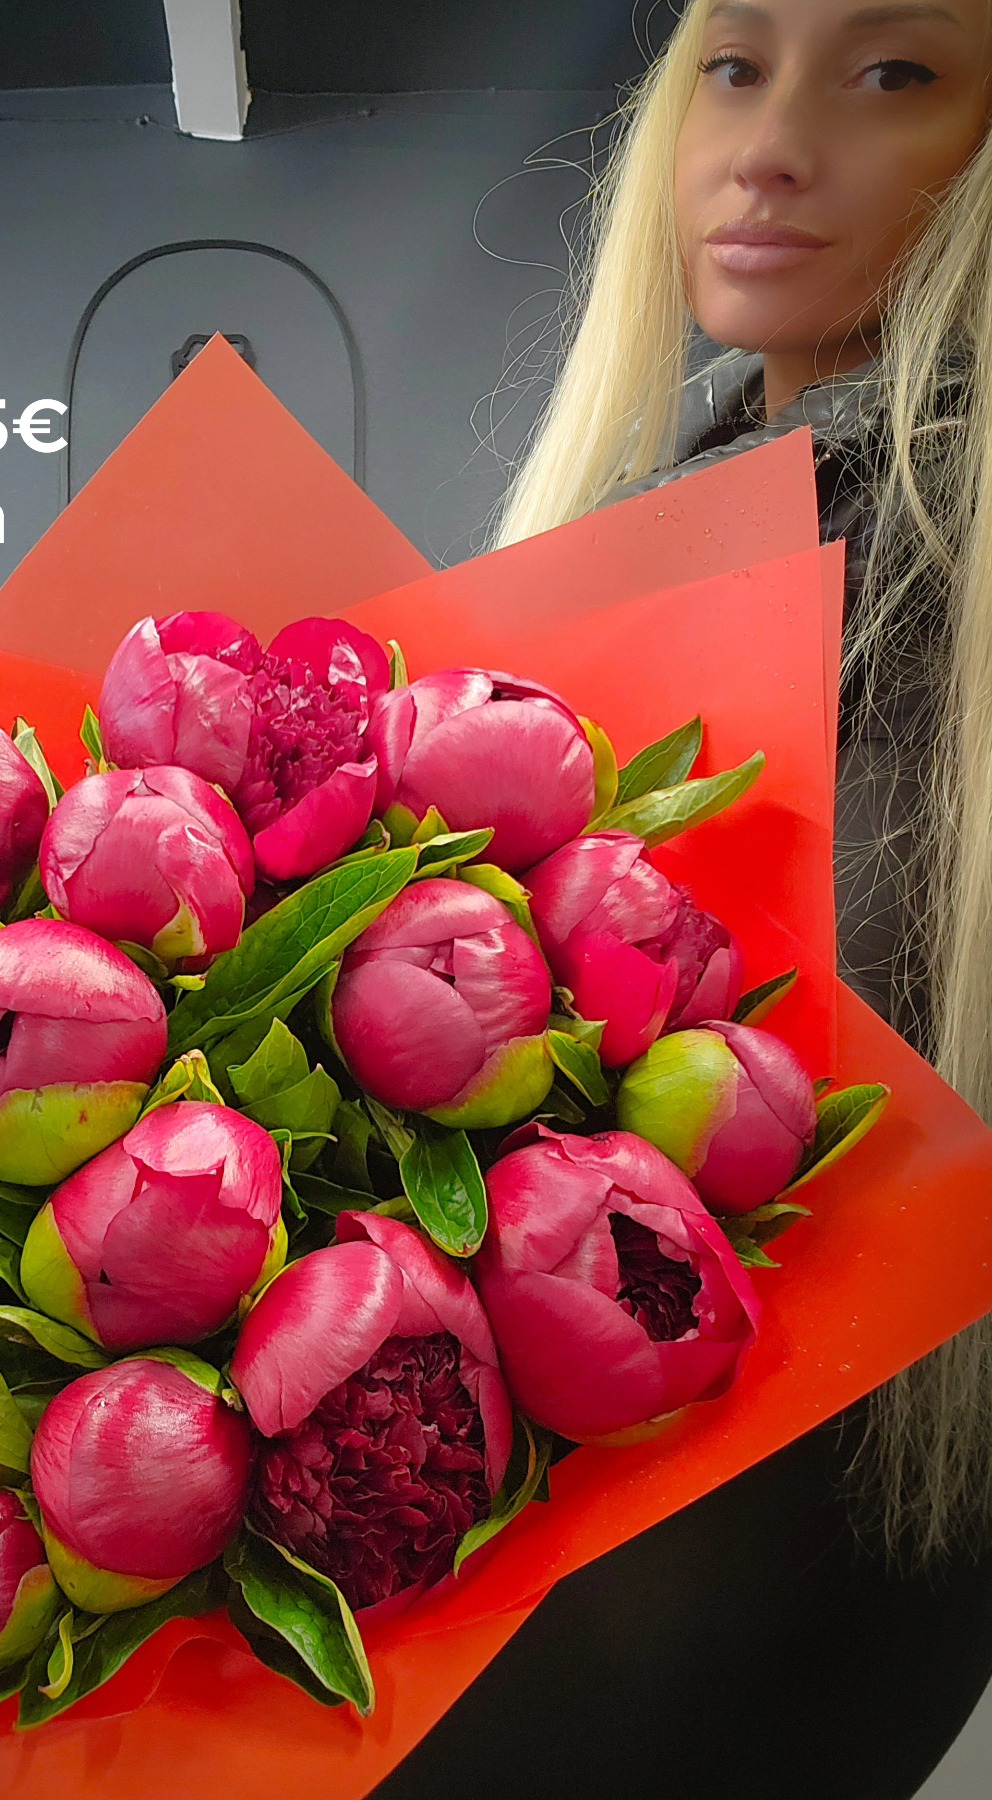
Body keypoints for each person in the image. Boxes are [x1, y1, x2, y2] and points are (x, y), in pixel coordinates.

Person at [379, 3, 992, 1795]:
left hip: (757, 1566)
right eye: (735, 64)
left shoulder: (937, 586)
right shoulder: (646, 527)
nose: (771, 147)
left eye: (895, 75)